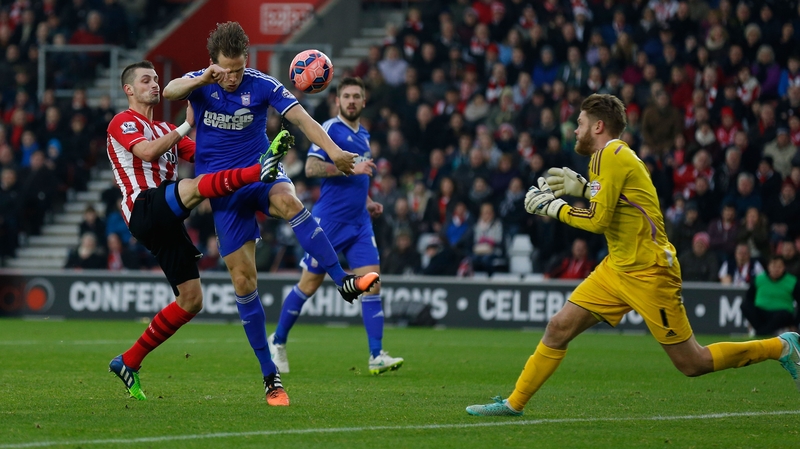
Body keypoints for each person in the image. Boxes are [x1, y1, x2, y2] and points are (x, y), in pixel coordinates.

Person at [466, 94, 800, 417]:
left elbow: (598, 220)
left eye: (580, 123)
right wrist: (583, 188)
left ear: (599, 126)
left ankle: (781, 346)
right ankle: (514, 404)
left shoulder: (608, 155)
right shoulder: (614, 156)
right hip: (617, 266)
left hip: (650, 270)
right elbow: (626, 203)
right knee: (558, 327)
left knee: (692, 362)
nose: (575, 129)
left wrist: (554, 207)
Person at [161, 23, 379, 405]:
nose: (232, 77)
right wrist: (201, 78)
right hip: (223, 189)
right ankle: (270, 377)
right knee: (244, 281)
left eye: (238, 69)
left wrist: (335, 153)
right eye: (225, 69)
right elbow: (169, 91)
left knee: (291, 202)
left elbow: (303, 120)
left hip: (262, 173)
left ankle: (342, 279)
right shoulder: (201, 82)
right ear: (213, 63)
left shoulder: (260, 83)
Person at [107, 61, 287, 402]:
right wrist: (187, 124)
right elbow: (145, 152)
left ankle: (128, 361)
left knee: (191, 301)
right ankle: (256, 173)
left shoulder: (164, 128)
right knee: (195, 187)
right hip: (143, 207)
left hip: (167, 219)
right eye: (146, 80)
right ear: (129, 89)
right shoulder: (124, 121)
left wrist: (255, 150)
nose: (155, 85)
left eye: (157, 79)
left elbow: (211, 158)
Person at [267, 77, 404, 375]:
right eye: (347, 96)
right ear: (338, 101)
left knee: (372, 283)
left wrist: (367, 200)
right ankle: (276, 342)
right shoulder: (330, 129)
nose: (352, 100)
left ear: (364, 101)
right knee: (309, 284)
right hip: (329, 222)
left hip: (360, 223)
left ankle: (376, 354)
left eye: (357, 96)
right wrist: (349, 167)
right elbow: (311, 168)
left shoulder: (364, 134)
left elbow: (357, 176)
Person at [741, 255, 799, 337]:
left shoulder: (792, 281)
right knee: (745, 306)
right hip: (761, 312)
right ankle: (764, 331)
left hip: (780, 314)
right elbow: (749, 298)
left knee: (783, 315)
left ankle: (760, 333)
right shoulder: (759, 279)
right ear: (768, 267)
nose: (776, 269)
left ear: (784, 267)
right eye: (773, 266)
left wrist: (795, 324)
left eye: (779, 266)